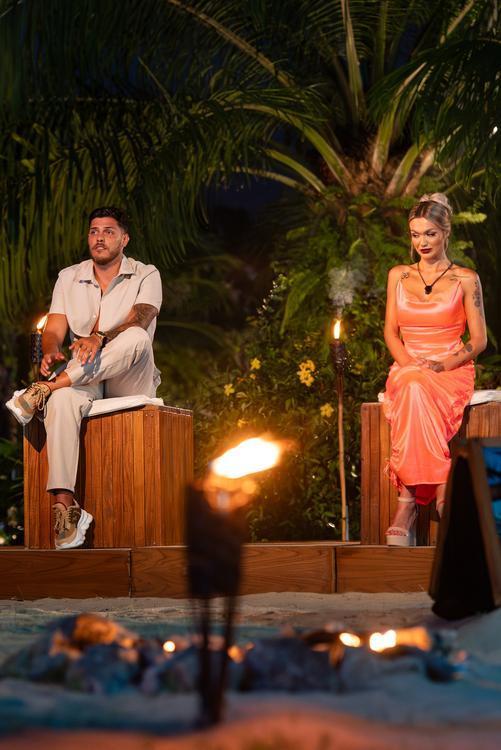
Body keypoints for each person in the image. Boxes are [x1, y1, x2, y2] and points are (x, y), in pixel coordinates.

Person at [7, 207, 162, 549]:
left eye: (108, 231)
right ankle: (66, 507)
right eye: (94, 231)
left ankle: (44, 388)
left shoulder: (146, 273)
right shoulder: (69, 276)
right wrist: (51, 351)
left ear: (124, 239)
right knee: (62, 400)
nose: (99, 238)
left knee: (137, 337)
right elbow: (54, 328)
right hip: (84, 374)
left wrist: (100, 337)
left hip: (129, 373)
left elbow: (142, 317)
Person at [383, 193, 487, 546]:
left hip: (450, 368)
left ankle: (407, 503)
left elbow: (479, 340)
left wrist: (440, 364)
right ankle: (441, 486)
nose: (422, 242)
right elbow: (390, 332)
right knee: (413, 384)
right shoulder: (398, 275)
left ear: (446, 232)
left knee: (417, 387)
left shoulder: (466, 278)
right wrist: (410, 364)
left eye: (430, 233)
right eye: (415, 235)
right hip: (408, 364)